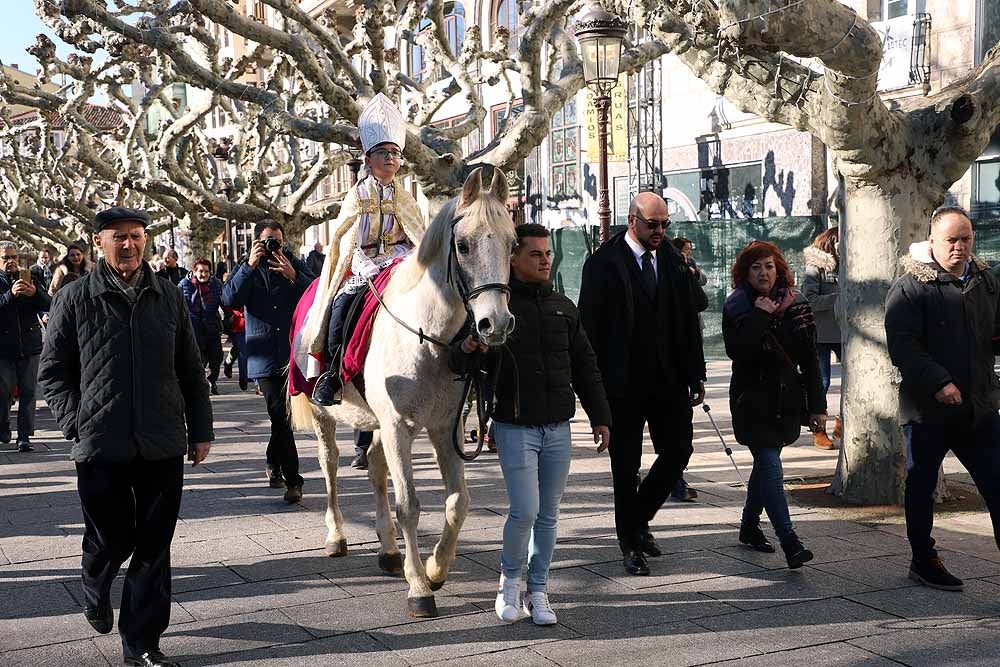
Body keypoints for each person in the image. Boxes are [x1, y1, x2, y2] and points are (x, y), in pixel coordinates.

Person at [38, 207, 213, 667]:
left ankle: (142, 644)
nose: (129, 245)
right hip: (100, 444)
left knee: (154, 545)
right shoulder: (74, 298)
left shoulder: (170, 297)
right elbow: (53, 372)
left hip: (162, 441)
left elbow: (191, 369)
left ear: (146, 241)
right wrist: (77, 422)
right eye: (119, 237)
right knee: (111, 536)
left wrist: (201, 429)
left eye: (137, 236)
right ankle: (95, 584)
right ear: (99, 242)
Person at [451, 224, 611, 624]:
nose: (545, 260)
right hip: (515, 426)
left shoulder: (563, 307)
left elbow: (586, 366)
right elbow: (460, 365)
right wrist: (471, 346)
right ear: (512, 259)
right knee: (525, 510)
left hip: (558, 427)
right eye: (535, 254)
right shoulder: (495, 310)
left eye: (547, 253)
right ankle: (508, 585)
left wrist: (601, 417)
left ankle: (538, 591)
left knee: (549, 515)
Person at [578, 192, 707, 577]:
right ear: (632, 220)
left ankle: (637, 519)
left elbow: (689, 319)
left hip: (669, 378)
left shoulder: (672, 258)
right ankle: (630, 541)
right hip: (623, 384)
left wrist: (695, 373)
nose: (660, 231)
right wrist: (595, 392)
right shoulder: (603, 263)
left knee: (679, 451)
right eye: (653, 224)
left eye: (666, 224)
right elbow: (590, 330)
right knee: (625, 465)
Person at [885, 206, 1000, 592]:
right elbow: (903, 346)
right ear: (932, 241)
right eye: (952, 240)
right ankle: (924, 558)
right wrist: (939, 381)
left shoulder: (985, 281)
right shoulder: (909, 286)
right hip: (928, 409)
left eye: (966, 239)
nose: (960, 247)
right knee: (921, 485)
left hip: (979, 406)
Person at [307, 93, 426, 406]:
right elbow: (347, 242)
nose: (390, 158)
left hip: (399, 266)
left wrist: (406, 259)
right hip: (363, 266)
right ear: (369, 158)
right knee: (341, 306)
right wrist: (365, 266)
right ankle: (332, 374)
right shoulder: (356, 195)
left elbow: (415, 237)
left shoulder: (406, 199)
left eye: (395, 153)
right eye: (383, 152)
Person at [722, 240, 824, 569]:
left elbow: (809, 359)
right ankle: (790, 540)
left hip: (786, 398)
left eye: (769, 265)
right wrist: (759, 317)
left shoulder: (796, 304)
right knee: (770, 464)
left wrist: (817, 406)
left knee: (765, 466)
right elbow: (739, 351)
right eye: (756, 267)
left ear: (779, 268)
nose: (764, 272)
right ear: (745, 273)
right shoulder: (737, 305)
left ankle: (750, 527)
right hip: (752, 399)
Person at [222, 219, 313, 501]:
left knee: (281, 419)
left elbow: (316, 294)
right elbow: (229, 300)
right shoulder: (246, 266)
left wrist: (293, 276)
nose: (274, 246)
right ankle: (294, 481)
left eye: (278, 241)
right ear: (257, 242)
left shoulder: (293, 264)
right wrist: (248, 266)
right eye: (268, 241)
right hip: (263, 355)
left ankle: (273, 461)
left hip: (292, 353)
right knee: (281, 416)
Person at [0, 241, 50, 451]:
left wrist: (34, 293)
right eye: (6, 258)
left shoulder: (31, 277)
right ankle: (3, 427)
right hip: (3, 346)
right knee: (3, 390)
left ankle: (24, 437)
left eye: (14, 257)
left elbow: (48, 303)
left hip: (30, 345)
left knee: (29, 392)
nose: (11, 262)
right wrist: (10, 294)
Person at [669, 235, 708, 502]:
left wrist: (697, 377)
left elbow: (700, 301)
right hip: (637, 371)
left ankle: (675, 477)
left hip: (676, 369)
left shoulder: (683, 268)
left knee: (681, 436)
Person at [802, 226, 841, 450]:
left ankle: (843, 423)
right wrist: (839, 298)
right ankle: (819, 429)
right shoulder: (815, 266)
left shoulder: (849, 262)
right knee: (821, 382)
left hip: (844, 332)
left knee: (855, 383)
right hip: (820, 334)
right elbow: (809, 299)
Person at [179, 258, 225, 395]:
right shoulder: (184, 285)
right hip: (193, 329)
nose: (203, 274)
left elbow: (225, 302)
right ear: (194, 271)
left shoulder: (216, 284)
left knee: (216, 358)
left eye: (206, 271)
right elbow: (178, 305)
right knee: (198, 360)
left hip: (212, 327)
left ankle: (212, 379)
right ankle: (201, 384)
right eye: (200, 271)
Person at [223, 305, 249, 391]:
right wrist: (238, 313)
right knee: (243, 353)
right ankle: (244, 379)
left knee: (239, 349)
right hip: (238, 326)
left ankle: (228, 363)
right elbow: (227, 302)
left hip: (251, 325)